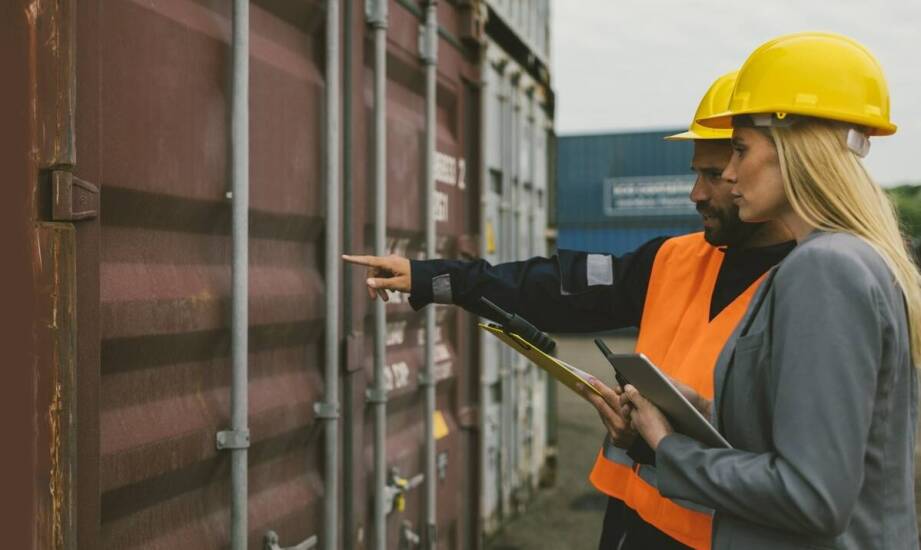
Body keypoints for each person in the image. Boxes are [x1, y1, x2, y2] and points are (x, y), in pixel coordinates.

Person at [342, 72, 795, 550]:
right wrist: (433, 278)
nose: (696, 194)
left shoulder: (815, 289)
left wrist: (660, 442)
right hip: (630, 524)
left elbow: (800, 470)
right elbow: (550, 285)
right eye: (695, 173)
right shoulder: (671, 258)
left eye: (714, 173)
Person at [623, 32, 921, 550]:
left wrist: (668, 448)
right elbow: (810, 436)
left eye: (739, 149)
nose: (730, 173)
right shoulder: (853, 259)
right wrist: (696, 409)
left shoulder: (825, 269)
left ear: (796, 147)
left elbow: (811, 497)